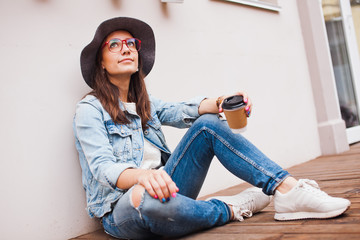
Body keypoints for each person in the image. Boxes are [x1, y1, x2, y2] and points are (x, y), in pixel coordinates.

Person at [73, 17, 351, 239]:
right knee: (147, 202)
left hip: (169, 188)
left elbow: (183, 110)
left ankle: (286, 189)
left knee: (207, 124)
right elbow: (102, 167)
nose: (126, 48)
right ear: (101, 62)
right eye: (115, 44)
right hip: (123, 209)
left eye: (132, 43)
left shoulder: (145, 103)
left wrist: (221, 102)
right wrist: (140, 177)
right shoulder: (90, 110)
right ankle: (232, 207)